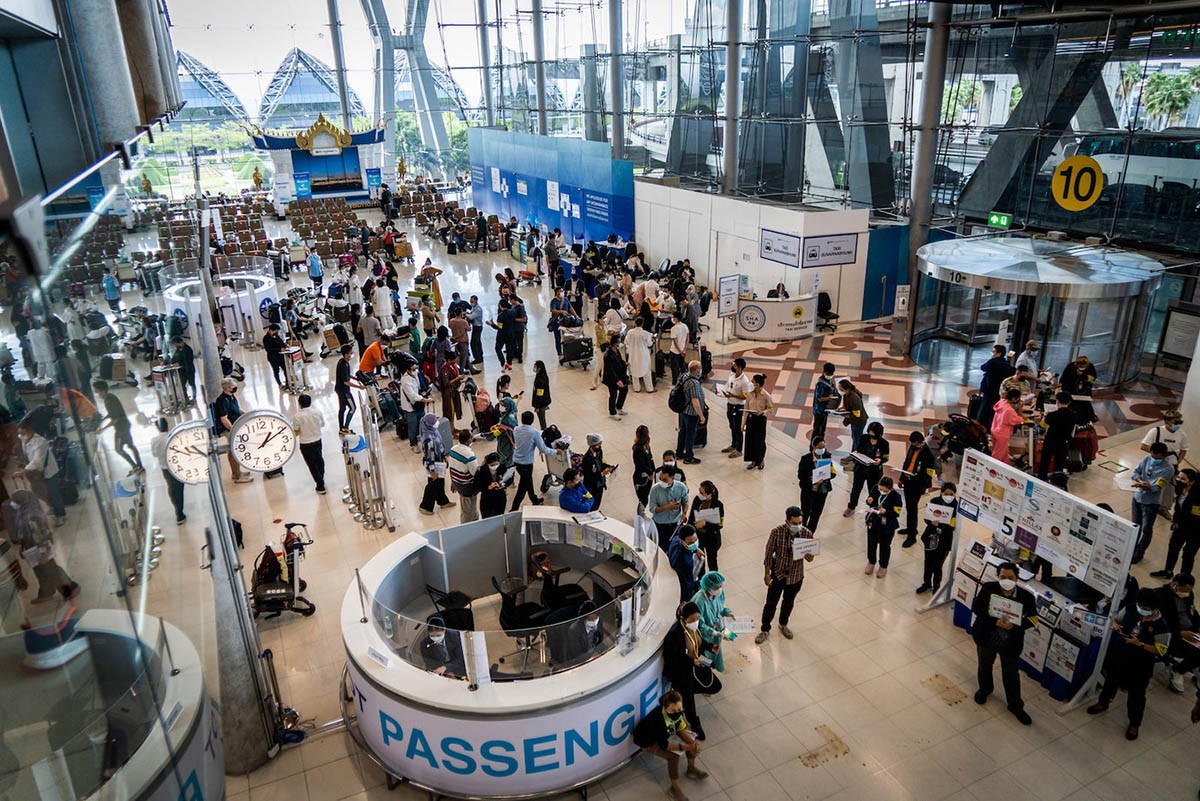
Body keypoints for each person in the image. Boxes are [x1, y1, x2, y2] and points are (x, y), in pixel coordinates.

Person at [1088, 588, 1171, 740]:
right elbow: (1116, 619)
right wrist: (1115, 625)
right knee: (1111, 681)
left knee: (1137, 695)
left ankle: (1134, 723)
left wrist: (1140, 644)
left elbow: (1161, 650)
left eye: (1146, 609)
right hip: (1120, 655)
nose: (1142, 610)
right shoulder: (1131, 608)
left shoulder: (1161, 626)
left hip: (1140, 666)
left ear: (1154, 608)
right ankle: (1103, 702)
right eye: (1141, 606)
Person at [972, 562, 1037, 725]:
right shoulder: (988, 588)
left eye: (1011, 578)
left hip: (1011, 642)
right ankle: (985, 689)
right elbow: (977, 608)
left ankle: (1015, 705)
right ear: (997, 576)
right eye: (1003, 577)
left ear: (1017, 579)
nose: (1006, 580)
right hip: (988, 636)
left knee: (1011, 673)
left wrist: (1016, 624)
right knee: (984, 664)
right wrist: (995, 622)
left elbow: (1033, 619)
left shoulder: (1027, 597)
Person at [632, 690, 707, 801]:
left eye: (680, 709)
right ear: (664, 707)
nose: (678, 712)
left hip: (665, 733)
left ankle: (691, 769)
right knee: (673, 757)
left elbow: (680, 728)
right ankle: (674, 789)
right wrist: (687, 747)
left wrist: (692, 743)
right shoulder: (658, 720)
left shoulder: (677, 713)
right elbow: (665, 746)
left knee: (691, 741)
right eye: (674, 710)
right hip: (647, 742)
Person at [663, 602, 722, 741]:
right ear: (684, 618)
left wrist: (712, 647)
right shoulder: (675, 634)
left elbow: (698, 644)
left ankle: (684, 693)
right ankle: (695, 724)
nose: (696, 622)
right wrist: (691, 661)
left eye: (697, 619)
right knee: (689, 701)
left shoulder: (693, 629)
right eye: (693, 620)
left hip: (693, 664)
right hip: (681, 672)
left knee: (715, 686)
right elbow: (671, 658)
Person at [755, 507, 814, 644]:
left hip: (796, 576)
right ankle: (765, 629)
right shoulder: (777, 532)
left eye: (800, 522)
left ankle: (783, 624)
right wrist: (767, 574)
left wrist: (805, 552)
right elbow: (768, 554)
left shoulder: (807, 534)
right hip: (779, 574)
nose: (798, 526)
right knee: (771, 603)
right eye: (794, 523)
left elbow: (810, 559)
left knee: (788, 602)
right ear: (787, 521)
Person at [1154, 573, 1200, 693]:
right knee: (1197, 652)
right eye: (1184, 590)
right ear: (1174, 585)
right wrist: (1180, 633)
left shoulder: (1188, 595)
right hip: (1173, 635)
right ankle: (1178, 670)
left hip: (1191, 631)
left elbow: (1193, 612)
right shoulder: (1160, 596)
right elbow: (1161, 624)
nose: (1186, 594)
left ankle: (1194, 668)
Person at [1131, 441, 1176, 563]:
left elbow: (1157, 487)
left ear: (1164, 455)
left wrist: (1147, 486)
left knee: (1146, 529)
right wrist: (1139, 480)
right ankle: (1132, 548)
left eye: (1157, 457)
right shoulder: (1147, 458)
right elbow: (1135, 472)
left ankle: (1140, 552)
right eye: (1152, 456)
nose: (1154, 459)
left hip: (1151, 503)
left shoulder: (1168, 469)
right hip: (1137, 498)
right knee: (1135, 526)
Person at [1153, 469, 1200, 579]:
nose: (1179, 480)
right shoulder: (1180, 488)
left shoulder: (1198, 495)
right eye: (1178, 477)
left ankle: (1183, 579)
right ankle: (1168, 571)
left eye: (1183, 479)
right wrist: (1175, 521)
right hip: (1181, 525)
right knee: (1173, 548)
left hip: (1196, 530)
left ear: (1191, 482)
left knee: (1188, 554)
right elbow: (1179, 508)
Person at [1141, 409, 1188, 514]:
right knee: (1152, 484)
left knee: (1169, 489)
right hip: (1156, 465)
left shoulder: (1182, 435)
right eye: (1176, 422)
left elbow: (1184, 450)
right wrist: (1159, 454)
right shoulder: (1156, 431)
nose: (1178, 425)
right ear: (1167, 421)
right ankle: (1147, 504)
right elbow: (1144, 446)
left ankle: (1164, 509)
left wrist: (1178, 461)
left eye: (1180, 422)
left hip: (1172, 465)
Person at [17, 421, 65, 523]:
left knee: (54, 493)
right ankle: (52, 507)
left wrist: (23, 471)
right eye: (20, 433)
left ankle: (61, 514)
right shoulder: (23, 438)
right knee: (42, 492)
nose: (21, 436)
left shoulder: (40, 442)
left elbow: (37, 461)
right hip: (38, 473)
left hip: (49, 471)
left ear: (30, 431)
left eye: (23, 433)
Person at [511, 411, 559, 509]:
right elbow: (543, 449)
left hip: (516, 461)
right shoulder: (534, 433)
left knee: (528, 481)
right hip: (526, 463)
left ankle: (534, 499)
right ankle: (514, 508)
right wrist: (556, 452)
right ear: (532, 420)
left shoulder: (516, 429)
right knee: (523, 487)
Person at [898, 430, 937, 547]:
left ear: (921, 442)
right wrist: (901, 478)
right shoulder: (912, 447)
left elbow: (928, 474)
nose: (914, 446)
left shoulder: (928, 455)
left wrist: (916, 478)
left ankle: (912, 536)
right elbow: (907, 462)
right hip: (907, 481)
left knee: (912, 509)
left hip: (917, 485)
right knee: (909, 508)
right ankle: (910, 528)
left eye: (916, 444)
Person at [917, 482, 958, 593]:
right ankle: (926, 583)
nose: (948, 496)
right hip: (931, 536)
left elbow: (953, 526)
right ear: (941, 493)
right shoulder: (934, 501)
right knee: (928, 562)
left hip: (945, 539)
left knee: (938, 564)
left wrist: (943, 524)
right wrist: (932, 523)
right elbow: (926, 518)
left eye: (951, 494)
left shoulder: (956, 506)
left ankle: (936, 585)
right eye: (946, 493)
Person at [94, 380, 143, 473]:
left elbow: (115, 419)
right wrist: (104, 419)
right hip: (124, 425)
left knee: (118, 449)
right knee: (130, 445)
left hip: (121, 428)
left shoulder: (109, 400)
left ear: (103, 391)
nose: (98, 394)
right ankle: (138, 465)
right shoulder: (109, 398)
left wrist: (102, 429)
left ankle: (135, 466)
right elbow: (113, 413)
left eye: (98, 392)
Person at [690, 571, 733, 674]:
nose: (719, 589)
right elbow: (699, 625)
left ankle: (717, 665)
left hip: (717, 628)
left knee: (717, 648)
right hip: (706, 635)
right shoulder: (700, 601)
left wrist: (727, 612)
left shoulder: (719, 593)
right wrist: (714, 632)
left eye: (720, 586)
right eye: (716, 587)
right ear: (708, 587)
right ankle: (707, 671)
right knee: (708, 653)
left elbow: (721, 605)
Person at [844, 421, 888, 516]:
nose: (871, 435)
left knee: (874, 491)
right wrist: (857, 454)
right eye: (870, 433)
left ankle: (873, 509)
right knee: (856, 489)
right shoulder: (864, 438)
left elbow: (886, 457)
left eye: (873, 434)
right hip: (861, 469)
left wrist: (880, 460)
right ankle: (851, 507)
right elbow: (859, 449)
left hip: (874, 472)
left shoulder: (884, 443)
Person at [863, 475, 902, 577]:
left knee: (885, 546)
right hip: (873, 521)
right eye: (880, 488)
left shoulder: (896, 497)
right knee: (871, 543)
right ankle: (871, 562)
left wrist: (886, 512)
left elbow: (897, 513)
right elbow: (869, 500)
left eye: (884, 490)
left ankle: (883, 566)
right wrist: (869, 500)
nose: (881, 491)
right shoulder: (876, 489)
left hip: (887, 525)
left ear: (889, 488)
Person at [418, 414, 455, 515]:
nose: (437, 423)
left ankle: (443, 501)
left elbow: (441, 445)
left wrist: (444, 457)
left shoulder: (434, 431)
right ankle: (425, 506)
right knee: (433, 484)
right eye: (434, 422)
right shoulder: (427, 439)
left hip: (439, 460)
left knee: (440, 482)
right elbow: (428, 456)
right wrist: (432, 471)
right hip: (432, 464)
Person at [150, 418, 186, 523]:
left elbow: (154, 454)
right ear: (167, 426)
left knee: (171, 487)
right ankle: (179, 513)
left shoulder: (154, 440)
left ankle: (177, 509)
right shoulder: (173, 436)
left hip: (164, 468)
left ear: (157, 428)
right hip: (176, 467)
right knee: (179, 488)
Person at [737, 373, 774, 471]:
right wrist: (743, 423)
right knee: (750, 440)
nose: (751, 383)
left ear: (757, 384)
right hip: (751, 419)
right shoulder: (750, 394)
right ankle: (753, 460)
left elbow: (770, 408)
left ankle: (760, 460)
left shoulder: (766, 395)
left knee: (760, 441)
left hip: (760, 420)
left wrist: (763, 412)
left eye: (753, 382)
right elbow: (746, 409)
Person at [1038, 391, 1077, 480]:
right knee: (1059, 462)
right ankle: (1056, 479)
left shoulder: (1052, 415)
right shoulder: (1074, 415)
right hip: (1064, 441)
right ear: (1069, 402)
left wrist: (1045, 415)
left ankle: (1042, 478)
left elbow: (1043, 425)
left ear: (1057, 401)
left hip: (1051, 440)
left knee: (1045, 461)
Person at [292, 394, 326, 495]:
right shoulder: (317, 412)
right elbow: (322, 424)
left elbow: (296, 431)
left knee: (312, 465)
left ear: (299, 404)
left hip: (305, 443)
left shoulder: (297, 416)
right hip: (317, 440)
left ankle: (320, 484)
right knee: (319, 460)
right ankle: (321, 477)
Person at [675, 361, 706, 465]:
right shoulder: (694, 383)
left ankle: (679, 452)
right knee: (690, 434)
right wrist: (701, 415)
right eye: (700, 368)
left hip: (682, 410)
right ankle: (688, 456)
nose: (701, 371)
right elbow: (695, 401)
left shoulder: (684, 376)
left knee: (682, 431)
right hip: (691, 412)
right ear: (696, 369)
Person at [688, 481, 724, 570]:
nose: (699, 495)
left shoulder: (718, 505)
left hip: (711, 537)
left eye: (702, 493)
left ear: (709, 494)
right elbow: (692, 516)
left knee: (712, 560)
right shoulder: (697, 500)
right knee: (699, 559)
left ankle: (714, 579)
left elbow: (719, 524)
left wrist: (705, 524)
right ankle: (701, 579)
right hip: (698, 536)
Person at [719, 358, 752, 458]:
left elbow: (745, 396)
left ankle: (739, 449)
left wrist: (733, 395)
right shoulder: (732, 375)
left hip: (738, 406)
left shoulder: (744, 381)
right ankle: (733, 445)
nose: (732, 367)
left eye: (734, 365)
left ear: (740, 367)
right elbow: (728, 386)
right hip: (730, 404)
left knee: (738, 428)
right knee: (732, 426)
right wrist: (723, 392)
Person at [977, 344, 1014, 427]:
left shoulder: (992, 362)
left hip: (989, 390)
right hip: (999, 390)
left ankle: (979, 425)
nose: (992, 353)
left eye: (994, 351)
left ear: (999, 353)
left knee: (983, 408)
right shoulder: (1005, 364)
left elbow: (983, 367)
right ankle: (992, 426)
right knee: (994, 409)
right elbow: (1010, 372)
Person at [648, 466, 689, 541]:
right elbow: (652, 509)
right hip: (660, 524)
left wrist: (684, 513)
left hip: (676, 523)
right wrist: (667, 507)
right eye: (660, 479)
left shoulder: (681, 487)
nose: (662, 482)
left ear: (672, 478)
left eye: (665, 480)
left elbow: (685, 502)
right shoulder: (655, 489)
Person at [669, 525, 706, 603]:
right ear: (683, 541)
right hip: (684, 590)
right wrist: (702, 583)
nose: (695, 543)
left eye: (696, 540)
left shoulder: (676, 539)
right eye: (691, 542)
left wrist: (696, 549)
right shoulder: (682, 560)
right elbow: (686, 584)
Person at [448, 431, 479, 523]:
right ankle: (465, 528)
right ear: (468, 440)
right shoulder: (469, 455)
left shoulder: (453, 449)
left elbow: (451, 467)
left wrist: (452, 481)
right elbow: (474, 473)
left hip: (457, 483)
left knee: (470, 509)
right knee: (468, 511)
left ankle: (474, 523)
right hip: (467, 486)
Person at [990, 388, 1025, 466]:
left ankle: (1006, 463)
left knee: (1002, 450)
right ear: (1014, 399)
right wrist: (1020, 409)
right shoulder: (1009, 410)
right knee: (998, 453)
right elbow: (1018, 420)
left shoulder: (1001, 402)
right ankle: (992, 468)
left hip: (994, 429)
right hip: (1002, 434)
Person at [1059, 354, 1098, 425]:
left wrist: (1084, 376)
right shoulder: (1071, 366)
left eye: (1083, 367)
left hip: (1084, 391)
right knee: (1072, 406)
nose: (1081, 368)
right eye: (1080, 366)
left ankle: (1087, 420)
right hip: (1071, 390)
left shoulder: (1090, 367)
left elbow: (1093, 377)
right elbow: (1064, 378)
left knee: (1085, 406)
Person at [397, 360, 426, 452]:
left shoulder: (416, 374)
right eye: (413, 368)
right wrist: (424, 399)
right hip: (410, 407)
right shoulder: (405, 380)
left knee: (421, 423)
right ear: (408, 369)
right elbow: (412, 395)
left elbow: (419, 387)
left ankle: (420, 439)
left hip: (418, 404)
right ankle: (413, 443)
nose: (415, 369)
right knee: (412, 426)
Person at [581, 433, 614, 511]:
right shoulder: (587, 459)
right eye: (598, 445)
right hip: (591, 486)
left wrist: (608, 467)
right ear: (592, 445)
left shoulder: (599, 451)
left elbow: (601, 464)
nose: (600, 446)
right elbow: (589, 476)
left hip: (600, 484)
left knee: (597, 503)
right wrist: (602, 473)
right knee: (591, 505)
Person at [564, 601, 605, 666]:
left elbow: (600, 641)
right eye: (590, 619)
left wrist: (599, 653)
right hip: (583, 661)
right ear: (583, 619)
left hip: (597, 656)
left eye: (595, 618)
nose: (594, 621)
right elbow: (577, 654)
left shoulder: (599, 621)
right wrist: (591, 658)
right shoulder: (574, 630)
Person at [334, 344, 362, 434]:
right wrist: (359, 387)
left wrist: (354, 378)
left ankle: (341, 428)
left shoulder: (341, 362)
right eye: (350, 353)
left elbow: (345, 375)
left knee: (342, 409)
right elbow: (346, 382)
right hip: (344, 391)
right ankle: (345, 428)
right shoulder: (345, 365)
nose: (351, 355)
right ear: (346, 354)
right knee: (353, 408)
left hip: (339, 389)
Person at [474, 452, 509, 518]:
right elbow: (477, 486)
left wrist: (504, 484)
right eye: (492, 465)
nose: (495, 466)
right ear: (487, 464)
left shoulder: (502, 468)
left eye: (497, 464)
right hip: (487, 500)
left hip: (500, 498)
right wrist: (489, 487)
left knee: (499, 518)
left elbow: (507, 480)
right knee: (488, 519)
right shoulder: (481, 471)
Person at [835, 378, 866, 452]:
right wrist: (840, 409)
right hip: (854, 421)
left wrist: (844, 415)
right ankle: (853, 454)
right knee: (854, 437)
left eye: (841, 389)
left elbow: (857, 415)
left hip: (859, 421)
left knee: (857, 439)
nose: (839, 391)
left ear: (847, 389)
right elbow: (846, 406)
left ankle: (856, 456)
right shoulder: (846, 395)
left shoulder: (854, 398)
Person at [626, 317, 656, 392]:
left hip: (633, 353)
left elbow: (626, 342)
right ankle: (649, 388)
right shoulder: (645, 333)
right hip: (643, 354)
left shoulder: (630, 332)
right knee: (646, 371)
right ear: (642, 324)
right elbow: (649, 344)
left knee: (634, 370)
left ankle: (636, 388)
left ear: (635, 323)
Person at [811, 362, 839, 441]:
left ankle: (821, 445)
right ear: (824, 372)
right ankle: (813, 448)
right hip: (819, 411)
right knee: (817, 431)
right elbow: (819, 398)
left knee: (822, 431)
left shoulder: (829, 380)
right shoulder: (820, 384)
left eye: (831, 374)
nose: (830, 375)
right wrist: (829, 398)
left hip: (825, 410)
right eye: (828, 373)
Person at [632, 425, 656, 508]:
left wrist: (653, 470)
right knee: (643, 499)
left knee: (645, 497)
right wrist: (649, 473)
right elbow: (640, 464)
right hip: (641, 477)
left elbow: (651, 458)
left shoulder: (646, 446)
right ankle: (640, 515)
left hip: (648, 476)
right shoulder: (637, 449)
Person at [167, 336, 196, 402]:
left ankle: (194, 396)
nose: (175, 346)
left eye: (175, 344)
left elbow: (187, 360)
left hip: (188, 370)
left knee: (192, 383)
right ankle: (185, 397)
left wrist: (179, 364)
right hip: (181, 371)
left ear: (178, 343)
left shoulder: (187, 349)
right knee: (182, 384)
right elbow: (174, 359)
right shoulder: (178, 350)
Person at [262, 323, 287, 387]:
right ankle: (279, 384)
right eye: (275, 331)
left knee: (285, 369)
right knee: (276, 371)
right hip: (273, 358)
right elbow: (268, 349)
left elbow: (281, 342)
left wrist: (285, 346)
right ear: (270, 330)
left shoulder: (276, 336)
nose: (276, 333)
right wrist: (279, 349)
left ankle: (288, 382)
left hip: (281, 356)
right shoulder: (266, 338)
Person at [668, 311, 689, 383]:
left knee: (674, 368)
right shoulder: (685, 326)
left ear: (676, 318)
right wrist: (684, 350)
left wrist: (680, 351)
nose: (672, 319)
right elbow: (687, 339)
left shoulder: (674, 328)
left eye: (673, 317)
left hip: (675, 351)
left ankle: (674, 382)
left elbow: (675, 341)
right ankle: (685, 380)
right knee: (682, 366)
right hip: (683, 350)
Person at [531, 360, 552, 429]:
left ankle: (544, 432)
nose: (534, 368)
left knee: (542, 420)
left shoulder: (540, 380)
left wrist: (537, 406)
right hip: (545, 400)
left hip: (541, 404)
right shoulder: (543, 375)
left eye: (535, 367)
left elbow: (539, 395)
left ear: (539, 368)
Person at [467, 295, 484, 366]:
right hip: (476, 327)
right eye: (470, 301)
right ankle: (480, 356)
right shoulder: (474, 307)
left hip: (478, 327)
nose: (471, 303)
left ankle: (477, 358)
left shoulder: (478, 309)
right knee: (478, 342)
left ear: (476, 300)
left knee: (473, 343)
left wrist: (465, 314)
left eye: (472, 301)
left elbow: (471, 317)